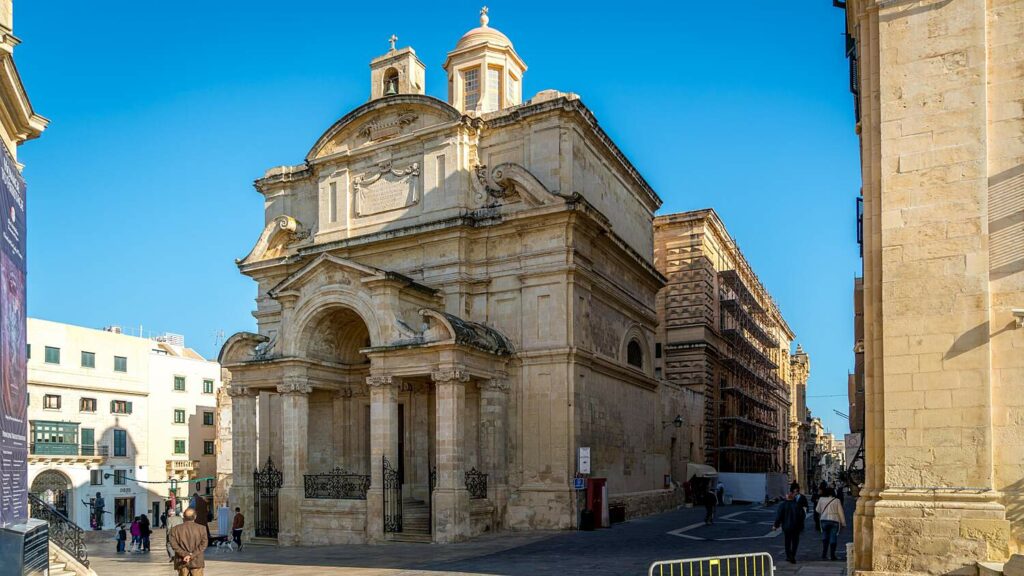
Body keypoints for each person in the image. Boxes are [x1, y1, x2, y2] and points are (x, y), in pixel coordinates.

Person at [169, 508, 208, 576]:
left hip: (181, 561)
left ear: (183, 517)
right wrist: (191, 555)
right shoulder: (202, 528)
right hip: (197, 561)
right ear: (195, 516)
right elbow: (204, 544)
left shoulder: (174, 529)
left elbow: (173, 545)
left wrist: (185, 555)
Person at [774, 486, 805, 564]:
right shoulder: (798, 505)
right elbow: (802, 516)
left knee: (787, 541)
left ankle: (788, 556)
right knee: (795, 542)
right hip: (796, 526)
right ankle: (793, 555)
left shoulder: (782, 505)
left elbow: (779, 516)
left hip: (786, 526)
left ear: (787, 497)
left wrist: (776, 525)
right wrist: (801, 526)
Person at [816, 486, 846, 561]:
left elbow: (817, 510)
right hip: (834, 520)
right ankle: (832, 555)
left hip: (824, 520)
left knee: (825, 537)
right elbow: (841, 512)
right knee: (833, 537)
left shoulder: (821, 499)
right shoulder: (837, 500)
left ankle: (824, 554)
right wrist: (843, 523)